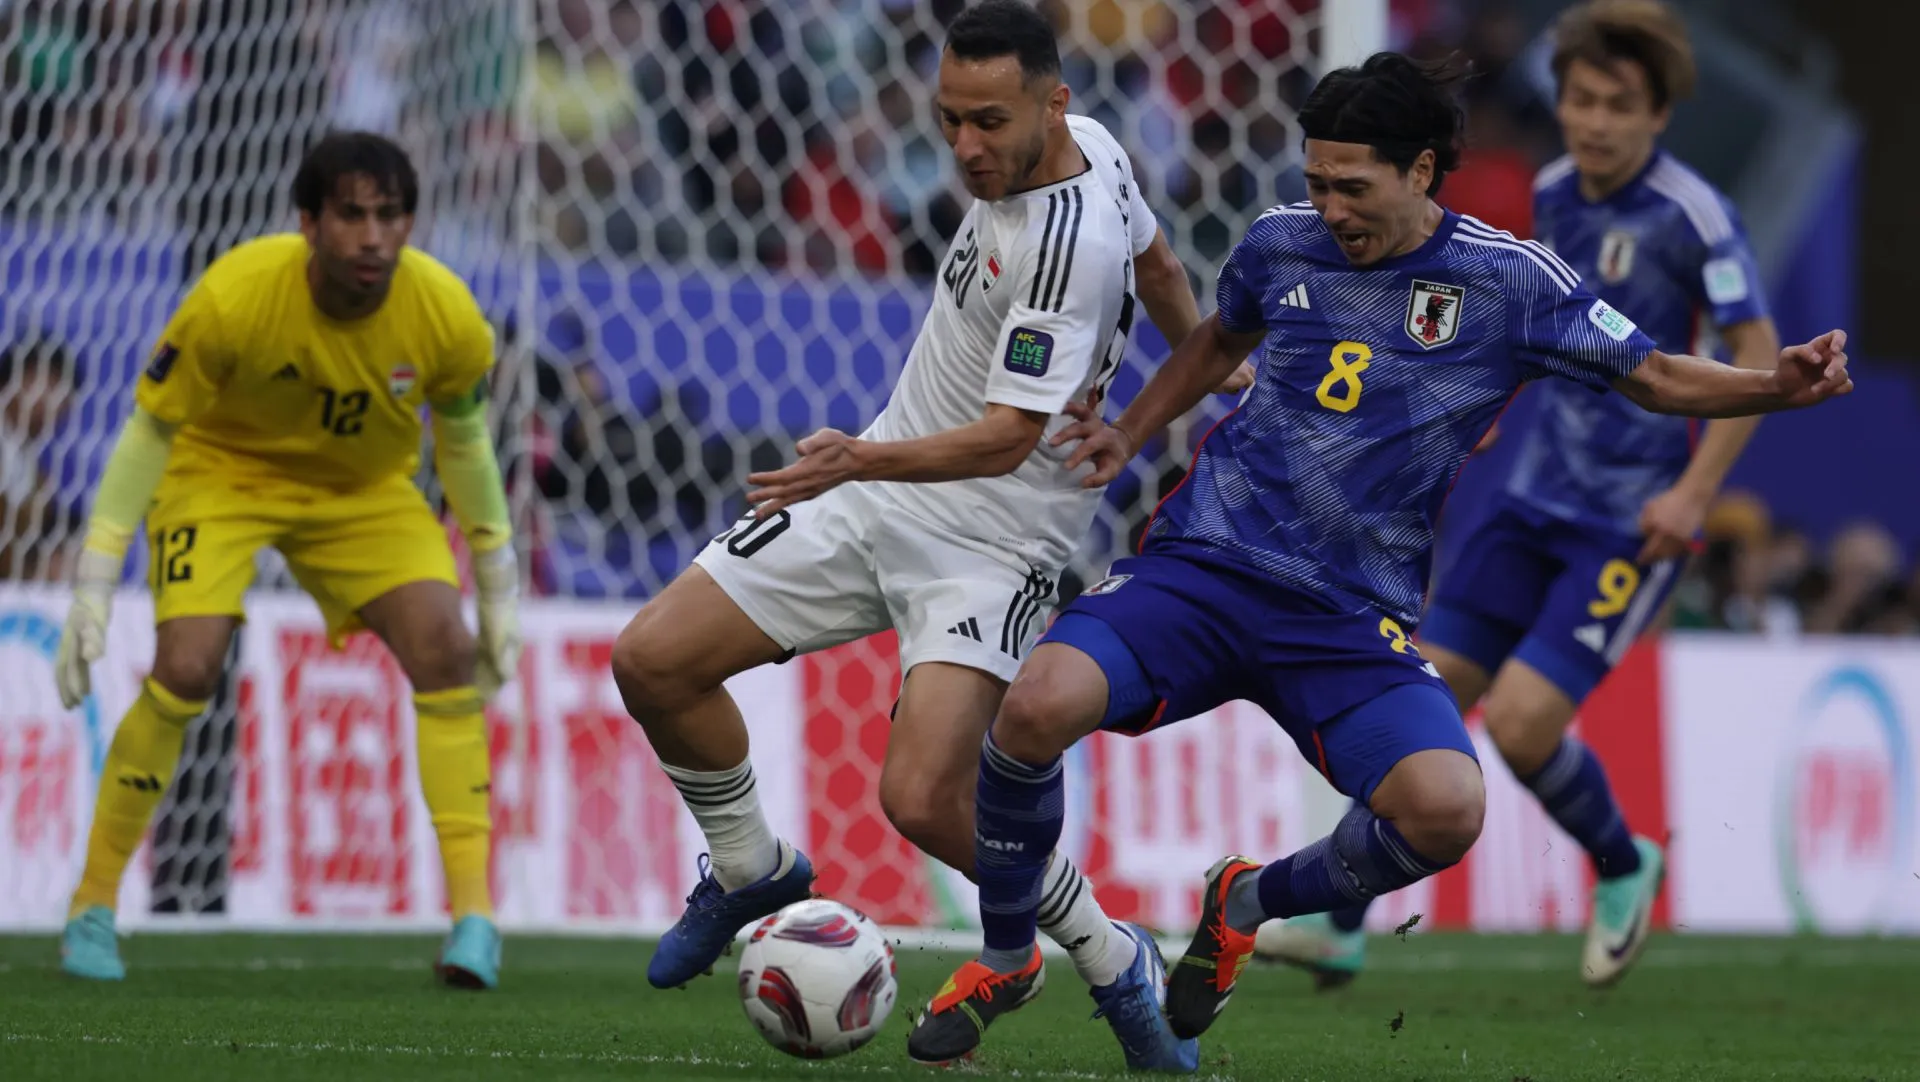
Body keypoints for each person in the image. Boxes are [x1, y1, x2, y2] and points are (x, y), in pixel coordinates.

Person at [908, 50, 1851, 1061]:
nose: (1328, 207)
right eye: (1315, 181)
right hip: (1207, 566)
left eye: (1351, 186)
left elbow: (1657, 374)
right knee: (1036, 704)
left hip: (1350, 615)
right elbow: (1219, 340)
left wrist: (1773, 387)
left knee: (1447, 809)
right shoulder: (1281, 245)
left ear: (1421, 172)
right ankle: (1006, 951)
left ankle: (1249, 899)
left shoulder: (1511, 282)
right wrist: (1131, 432)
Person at [609, 1, 1245, 1071]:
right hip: (884, 487)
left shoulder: (1062, 248)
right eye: (950, 119)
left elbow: (1004, 441)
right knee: (653, 660)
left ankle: (1109, 951)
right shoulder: (1093, 145)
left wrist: (854, 456)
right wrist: (1214, 372)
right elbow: (1168, 270)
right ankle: (752, 863)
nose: (964, 148)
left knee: (924, 798)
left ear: (1055, 102)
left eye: (988, 123)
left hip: (996, 542)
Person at [1258, 0, 1779, 991]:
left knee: (1530, 722)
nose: (1593, 122)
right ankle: (1338, 916)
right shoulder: (1554, 191)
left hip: (1629, 517)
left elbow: (1756, 362)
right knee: (1419, 702)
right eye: (1580, 99)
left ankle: (1625, 864)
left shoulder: (1694, 215)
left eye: (1618, 105)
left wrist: (1694, 494)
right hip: (1530, 497)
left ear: (1657, 115)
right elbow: (1544, 323)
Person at [53, 131, 520, 989]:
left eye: (390, 216)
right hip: (223, 476)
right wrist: (93, 579)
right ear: (308, 222)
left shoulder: (446, 313)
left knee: (447, 650)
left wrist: (495, 579)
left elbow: (463, 440)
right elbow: (152, 428)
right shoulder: (234, 297)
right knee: (187, 665)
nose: (374, 237)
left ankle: (474, 922)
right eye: (351, 215)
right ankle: (91, 906)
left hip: (362, 493)